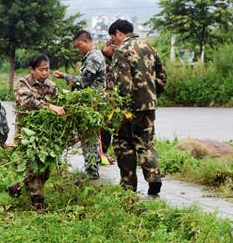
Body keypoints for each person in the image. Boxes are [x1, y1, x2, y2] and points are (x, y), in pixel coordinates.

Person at [108, 19, 166, 195]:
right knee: (146, 143)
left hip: (130, 108)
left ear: (119, 33)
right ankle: (154, 176)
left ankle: (128, 184)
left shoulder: (122, 51)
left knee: (123, 144)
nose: (113, 42)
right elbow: (162, 77)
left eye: (113, 38)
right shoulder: (149, 47)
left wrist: (118, 108)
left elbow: (123, 86)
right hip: (149, 105)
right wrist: (152, 96)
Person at [7, 53, 65, 211]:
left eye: (47, 69)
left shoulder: (51, 86)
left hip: (45, 134)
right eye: (41, 69)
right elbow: (27, 102)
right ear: (32, 70)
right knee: (34, 167)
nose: (45, 73)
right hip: (27, 134)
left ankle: (18, 187)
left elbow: (60, 104)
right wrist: (50, 107)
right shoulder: (22, 83)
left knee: (45, 170)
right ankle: (37, 204)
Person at [53, 30, 106, 179]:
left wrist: (65, 76)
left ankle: (92, 171)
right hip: (89, 102)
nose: (78, 49)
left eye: (79, 45)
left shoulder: (94, 57)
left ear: (88, 41)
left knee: (89, 137)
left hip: (92, 103)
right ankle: (91, 169)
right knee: (88, 137)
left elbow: (83, 82)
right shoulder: (90, 56)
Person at [99, 41, 117, 164]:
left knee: (108, 126)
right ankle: (101, 154)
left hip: (111, 98)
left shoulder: (116, 59)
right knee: (101, 127)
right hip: (100, 98)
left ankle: (104, 152)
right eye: (113, 48)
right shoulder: (98, 59)